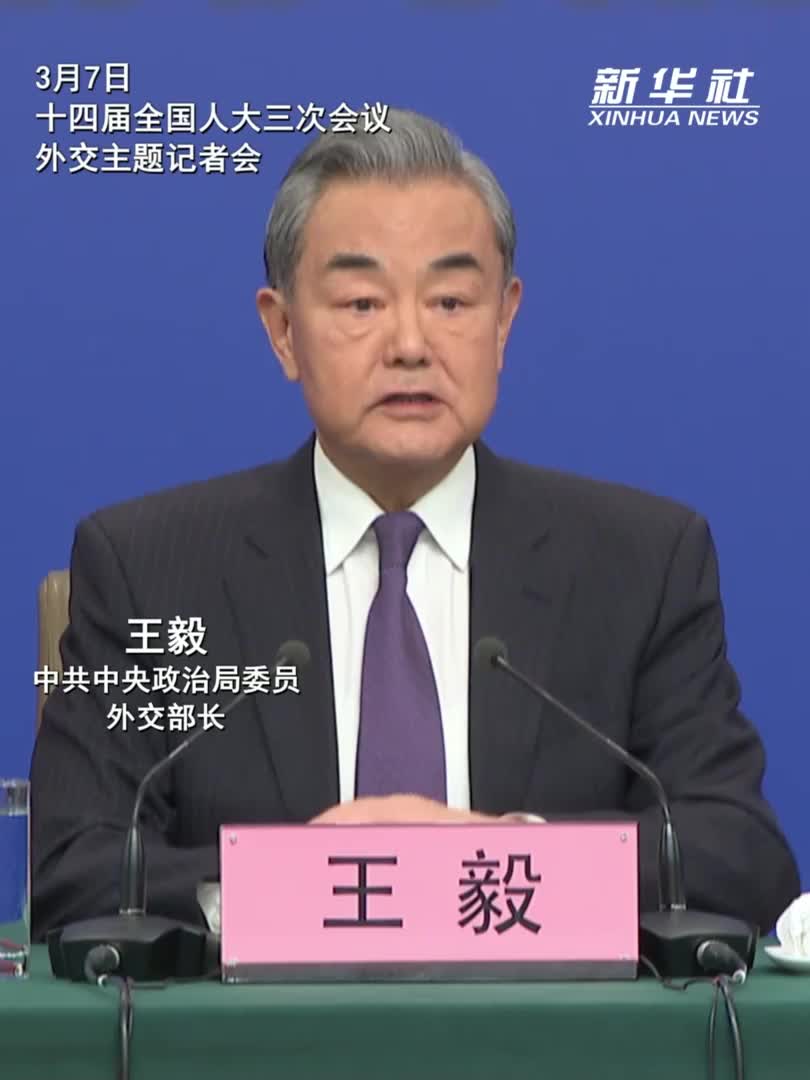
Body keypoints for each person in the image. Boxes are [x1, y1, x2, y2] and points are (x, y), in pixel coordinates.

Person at [30, 107, 799, 943]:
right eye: (362, 301)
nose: (409, 344)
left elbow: (741, 857)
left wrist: (504, 858)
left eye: (450, 300)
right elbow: (75, 868)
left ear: (503, 322)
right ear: (283, 331)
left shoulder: (640, 563)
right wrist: (305, 880)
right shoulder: (149, 569)